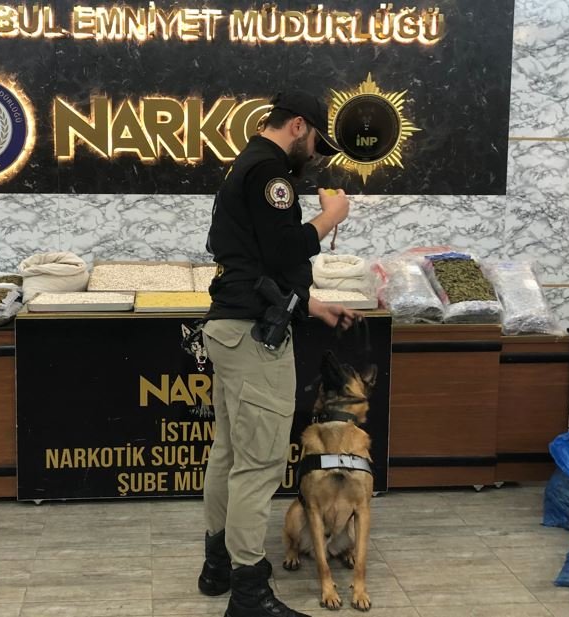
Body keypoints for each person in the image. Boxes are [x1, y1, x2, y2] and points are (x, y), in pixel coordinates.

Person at [198, 90, 357, 617]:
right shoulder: (270, 173)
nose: (315, 154)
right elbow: (284, 249)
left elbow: (257, 262)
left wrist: (310, 305)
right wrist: (331, 216)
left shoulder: (246, 165)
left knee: (228, 454)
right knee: (258, 464)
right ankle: (248, 593)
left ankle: (219, 566)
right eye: (315, 143)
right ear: (298, 126)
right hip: (253, 337)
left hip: (234, 326)